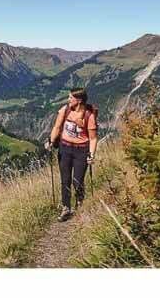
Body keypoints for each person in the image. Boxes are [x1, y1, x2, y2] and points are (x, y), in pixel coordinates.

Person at [46, 87, 99, 221]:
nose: (68, 100)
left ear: (79, 100)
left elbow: (93, 138)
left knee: (78, 180)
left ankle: (80, 203)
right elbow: (57, 127)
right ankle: (66, 208)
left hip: (81, 150)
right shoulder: (65, 110)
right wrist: (51, 141)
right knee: (65, 179)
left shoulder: (89, 116)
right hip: (65, 148)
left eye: (70, 98)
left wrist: (91, 155)